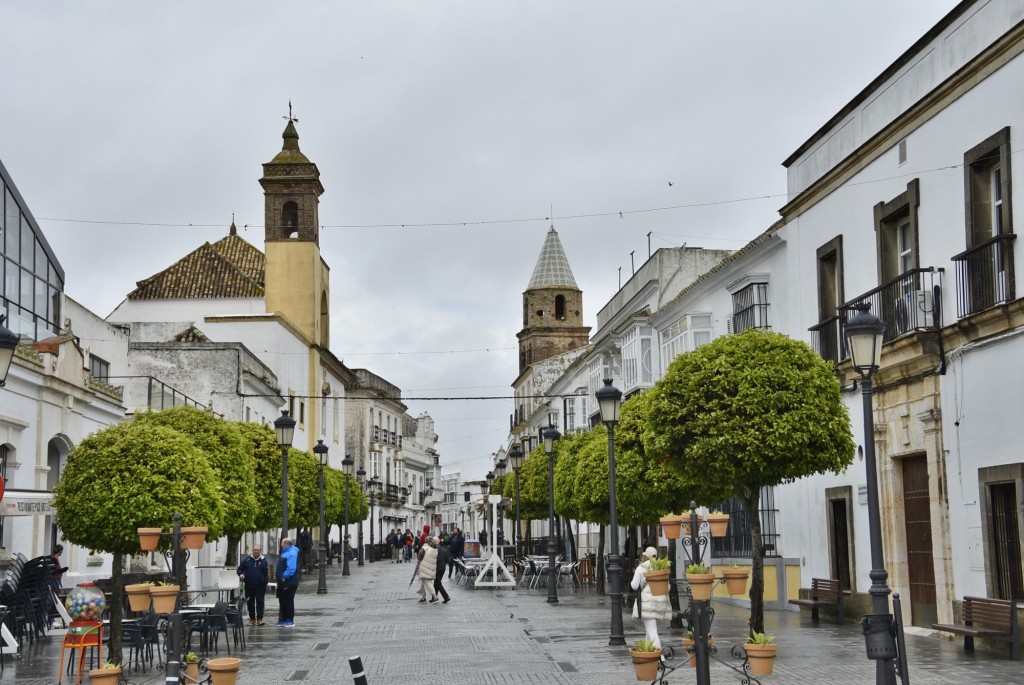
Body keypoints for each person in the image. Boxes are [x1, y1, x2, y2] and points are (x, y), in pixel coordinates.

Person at [630, 547, 672, 649]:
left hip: (647, 603)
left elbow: (634, 586)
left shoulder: (641, 568)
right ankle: (649, 652)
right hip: (659, 602)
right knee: (650, 628)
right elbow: (668, 586)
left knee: (652, 630)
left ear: (645, 556)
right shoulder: (660, 567)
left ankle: (658, 655)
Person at [237, 544, 269, 626]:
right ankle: (251, 619)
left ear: (260, 551)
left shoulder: (264, 561)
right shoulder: (247, 560)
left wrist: (264, 583)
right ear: (252, 550)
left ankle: (260, 619)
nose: (256, 551)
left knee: (260, 602)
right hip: (249, 585)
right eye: (254, 550)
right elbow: (240, 569)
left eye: (257, 550)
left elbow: (266, 574)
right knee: (250, 602)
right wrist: (241, 574)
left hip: (260, 586)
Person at [276, 537, 300, 627]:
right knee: (283, 600)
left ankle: (290, 620)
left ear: (286, 543)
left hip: (289, 582)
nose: (281, 545)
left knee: (288, 600)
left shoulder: (291, 553)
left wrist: (283, 577)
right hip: (283, 583)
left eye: (282, 543)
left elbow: (291, 568)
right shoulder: (286, 552)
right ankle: (284, 619)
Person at [416, 537, 438, 603]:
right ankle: (423, 598)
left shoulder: (424, 548)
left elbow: (419, 557)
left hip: (424, 568)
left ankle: (435, 597)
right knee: (423, 583)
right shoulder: (434, 549)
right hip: (431, 568)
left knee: (427, 583)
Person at [433, 536, 451, 603]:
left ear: (434, 542)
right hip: (443, 568)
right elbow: (447, 559)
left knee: (438, 583)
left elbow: (435, 559)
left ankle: (446, 597)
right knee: (436, 583)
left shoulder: (434, 549)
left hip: (437, 568)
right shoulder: (444, 549)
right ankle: (434, 597)